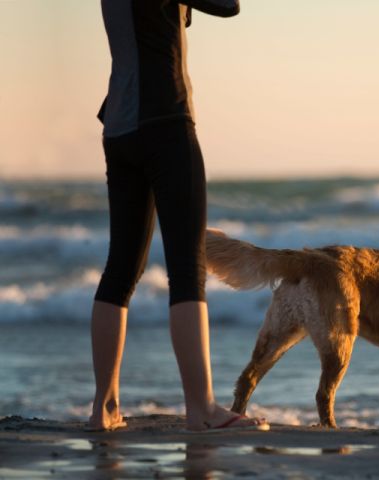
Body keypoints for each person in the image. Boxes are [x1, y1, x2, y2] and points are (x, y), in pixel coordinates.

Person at [88, 0, 267, 432]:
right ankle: (202, 409)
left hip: (119, 127)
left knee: (120, 270)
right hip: (165, 120)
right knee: (187, 271)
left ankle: (104, 408)